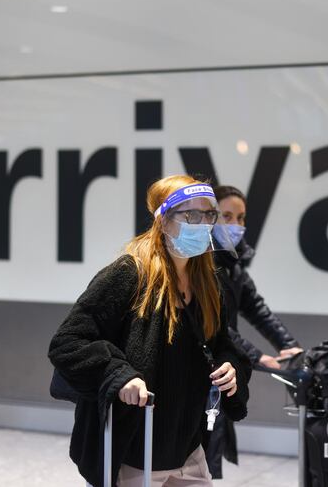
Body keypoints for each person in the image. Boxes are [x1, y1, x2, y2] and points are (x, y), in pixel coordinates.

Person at [48, 175, 251, 487]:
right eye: (191, 216)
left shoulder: (208, 282)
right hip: (134, 453)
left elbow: (222, 343)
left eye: (209, 215)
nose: (202, 225)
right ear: (163, 220)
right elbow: (68, 341)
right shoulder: (130, 274)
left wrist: (231, 367)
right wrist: (119, 373)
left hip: (187, 450)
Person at [202, 184, 303, 479]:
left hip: (220, 368)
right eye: (227, 216)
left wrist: (291, 348)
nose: (236, 225)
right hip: (201, 368)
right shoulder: (201, 266)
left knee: (208, 457)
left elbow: (258, 310)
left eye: (242, 218)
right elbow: (217, 328)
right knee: (198, 453)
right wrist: (262, 359)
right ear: (209, 217)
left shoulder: (233, 264)